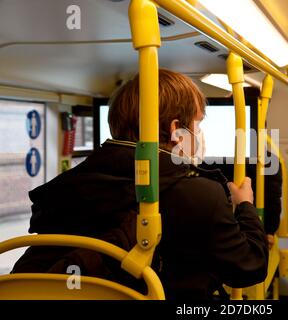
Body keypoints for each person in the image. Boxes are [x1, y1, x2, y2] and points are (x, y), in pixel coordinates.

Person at [12, 69, 268, 299]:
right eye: (198, 123)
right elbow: (248, 268)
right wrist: (245, 205)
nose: (200, 133)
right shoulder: (199, 192)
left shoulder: (64, 187)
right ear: (177, 129)